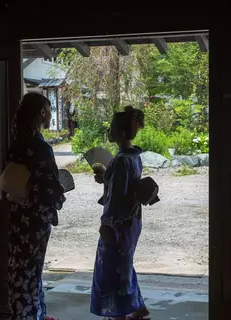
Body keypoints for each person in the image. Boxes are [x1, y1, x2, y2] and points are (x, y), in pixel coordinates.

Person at [6, 92, 66, 320]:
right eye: (49, 110)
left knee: (19, 269)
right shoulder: (41, 148)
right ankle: (30, 315)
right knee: (31, 272)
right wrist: (59, 197)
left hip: (18, 215)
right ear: (42, 112)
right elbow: (49, 188)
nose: (51, 115)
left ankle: (31, 313)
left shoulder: (17, 144)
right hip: (35, 220)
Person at [90, 106, 151, 320]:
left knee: (112, 270)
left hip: (118, 225)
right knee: (124, 266)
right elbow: (125, 189)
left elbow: (116, 200)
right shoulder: (133, 157)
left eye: (112, 128)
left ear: (122, 133)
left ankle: (119, 315)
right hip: (132, 221)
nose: (109, 131)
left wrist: (106, 225)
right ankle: (138, 308)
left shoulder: (122, 160)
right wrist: (108, 176)